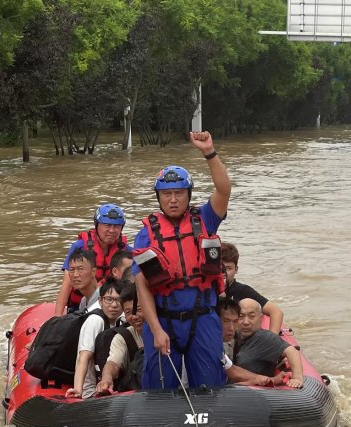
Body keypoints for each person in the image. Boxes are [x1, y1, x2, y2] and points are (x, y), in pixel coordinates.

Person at [134, 131, 232, 390]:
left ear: (188, 195)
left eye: (179, 193)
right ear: (159, 198)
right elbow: (142, 286)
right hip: (163, 320)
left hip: (203, 319)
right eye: (167, 194)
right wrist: (155, 329)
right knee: (158, 387)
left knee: (211, 385)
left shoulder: (206, 219)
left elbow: (224, 189)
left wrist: (209, 152)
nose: (173, 199)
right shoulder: (146, 234)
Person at [55, 203, 131, 315]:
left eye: (116, 226)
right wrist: (57, 318)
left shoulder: (127, 252)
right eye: (107, 225)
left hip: (113, 306)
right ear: (97, 226)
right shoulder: (80, 247)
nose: (112, 230)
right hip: (79, 305)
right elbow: (67, 283)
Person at [66, 278, 127, 398]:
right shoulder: (95, 321)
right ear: (100, 301)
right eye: (109, 299)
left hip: (112, 386)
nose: (114, 305)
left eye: (118, 300)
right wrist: (78, 390)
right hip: (91, 391)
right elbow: (83, 357)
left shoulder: (123, 320)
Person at [233, 299, 304, 388]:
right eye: (241, 316)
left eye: (251, 316)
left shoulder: (264, 338)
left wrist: (297, 377)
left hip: (255, 392)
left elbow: (292, 351)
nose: (246, 322)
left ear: (260, 318)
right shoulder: (232, 336)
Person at [220, 242, 284, 334]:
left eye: (228, 268)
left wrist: (272, 339)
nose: (223, 273)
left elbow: (276, 312)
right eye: (219, 268)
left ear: (236, 269)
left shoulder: (242, 290)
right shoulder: (203, 290)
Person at [95, 283, 144, 395]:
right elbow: (113, 363)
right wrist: (106, 379)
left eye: (139, 309)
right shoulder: (122, 337)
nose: (134, 316)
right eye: (128, 312)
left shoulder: (163, 331)